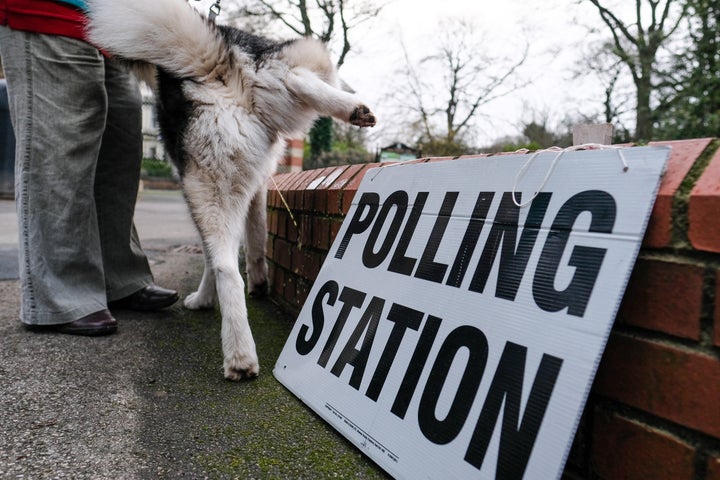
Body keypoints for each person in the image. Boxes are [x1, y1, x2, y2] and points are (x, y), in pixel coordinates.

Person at [0, 0, 179, 336]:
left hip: (110, 24)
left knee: (121, 150)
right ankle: (62, 295)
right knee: (59, 150)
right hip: (49, 11)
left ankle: (119, 278)